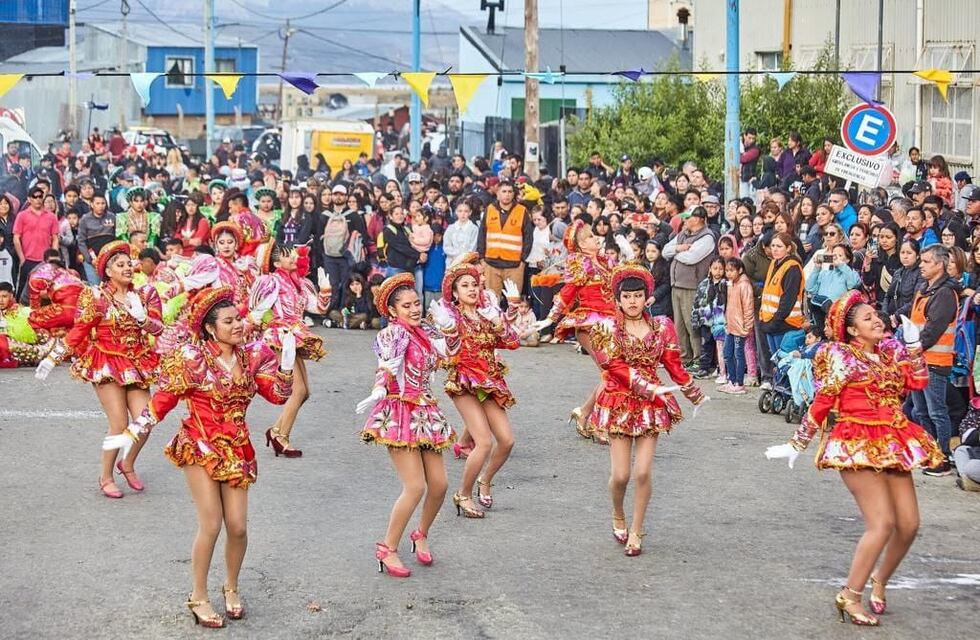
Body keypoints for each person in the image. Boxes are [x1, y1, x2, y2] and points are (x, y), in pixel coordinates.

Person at [102, 286, 295, 628]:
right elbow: (163, 400)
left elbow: (278, 396)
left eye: (239, 319)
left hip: (237, 447)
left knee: (238, 527)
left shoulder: (252, 356)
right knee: (212, 523)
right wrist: (133, 430)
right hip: (200, 444)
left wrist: (286, 368)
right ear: (210, 328)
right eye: (228, 321)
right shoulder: (193, 359)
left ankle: (231, 586)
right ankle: (198, 596)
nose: (238, 325)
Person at [765, 291, 944, 627]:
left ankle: (880, 579)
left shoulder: (890, 352)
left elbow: (918, 381)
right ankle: (850, 595)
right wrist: (797, 443)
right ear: (851, 330)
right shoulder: (840, 355)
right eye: (867, 318)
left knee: (909, 525)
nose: (876, 320)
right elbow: (823, 401)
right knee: (882, 524)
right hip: (856, 441)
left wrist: (914, 347)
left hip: (894, 440)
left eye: (876, 315)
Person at [587, 264, 707, 556]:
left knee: (642, 472)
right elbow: (612, 365)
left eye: (638, 296)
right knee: (621, 475)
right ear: (618, 300)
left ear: (646, 298)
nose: (632, 301)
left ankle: (637, 530)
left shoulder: (662, 327)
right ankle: (618, 513)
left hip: (651, 406)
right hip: (619, 401)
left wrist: (694, 393)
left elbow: (674, 365)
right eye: (627, 297)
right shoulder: (606, 328)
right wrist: (645, 386)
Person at [35, 241, 163, 498]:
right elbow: (79, 330)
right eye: (120, 265)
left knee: (146, 421)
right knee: (119, 423)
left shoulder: (146, 294)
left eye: (128, 263)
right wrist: (53, 357)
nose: (127, 268)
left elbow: (159, 329)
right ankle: (105, 476)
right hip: (107, 361)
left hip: (137, 361)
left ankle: (127, 463)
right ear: (108, 271)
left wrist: (143, 319)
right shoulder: (97, 297)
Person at [354, 273, 458, 578]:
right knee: (415, 487)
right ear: (392, 310)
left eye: (416, 303)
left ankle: (420, 533)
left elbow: (451, 352)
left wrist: (450, 327)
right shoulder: (393, 335)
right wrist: (379, 389)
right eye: (406, 305)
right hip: (400, 411)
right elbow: (386, 366)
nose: (414, 309)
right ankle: (387, 548)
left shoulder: (425, 331)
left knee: (439, 485)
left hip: (426, 411)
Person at [536, 219, 628, 438]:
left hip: (611, 323)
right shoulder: (581, 263)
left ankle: (584, 413)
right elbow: (568, 290)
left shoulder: (604, 262)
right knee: (612, 373)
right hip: (590, 323)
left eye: (593, 235)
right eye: (589, 236)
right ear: (581, 245)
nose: (595, 238)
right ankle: (598, 423)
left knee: (613, 374)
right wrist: (550, 318)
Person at [441, 263, 520, 518]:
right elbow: (448, 352)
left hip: (489, 382)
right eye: (465, 286)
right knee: (484, 442)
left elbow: (513, 342)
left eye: (474, 285)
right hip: (464, 383)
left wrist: (500, 317)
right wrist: (449, 331)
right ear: (455, 293)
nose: (472, 289)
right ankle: (463, 494)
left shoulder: (487, 314)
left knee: (507, 441)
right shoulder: (452, 318)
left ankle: (485, 479)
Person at [249, 242, 331, 457]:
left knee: (305, 393)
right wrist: (250, 331)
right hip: (281, 337)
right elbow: (256, 312)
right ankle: (281, 436)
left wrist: (325, 289)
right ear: (277, 263)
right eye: (288, 256)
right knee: (299, 390)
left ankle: (276, 430)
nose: (295, 257)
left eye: (294, 254)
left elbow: (319, 309)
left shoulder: (301, 283)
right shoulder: (272, 282)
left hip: (295, 335)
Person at [908, 244, 959, 475]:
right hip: (919, 360)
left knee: (937, 411)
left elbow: (933, 330)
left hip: (935, 361)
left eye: (927, 261)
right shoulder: (926, 288)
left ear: (940, 264)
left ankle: (942, 457)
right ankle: (929, 453)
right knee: (921, 411)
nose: (921, 265)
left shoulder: (944, 293)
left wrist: (913, 348)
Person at [662, 207, 717, 365]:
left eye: (688, 217)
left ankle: (698, 358)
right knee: (679, 325)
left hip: (692, 286)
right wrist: (678, 248)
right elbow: (665, 251)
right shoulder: (683, 234)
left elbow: (692, 258)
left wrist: (675, 254)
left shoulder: (707, 237)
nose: (685, 220)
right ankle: (685, 357)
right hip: (677, 285)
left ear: (698, 219)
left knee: (691, 324)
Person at [477, 180, 532, 300]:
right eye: (504, 191)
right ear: (497, 193)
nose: (507, 194)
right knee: (492, 301)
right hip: (491, 264)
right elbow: (482, 234)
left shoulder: (522, 211)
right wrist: (481, 258)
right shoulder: (489, 209)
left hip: (514, 265)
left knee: (514, 301)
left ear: (513, 194)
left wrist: (523, 261)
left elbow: (528, 238)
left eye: (510, 192)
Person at [759, 232, 805, 354]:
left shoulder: (792, 267)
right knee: (776, 360)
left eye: (779, 246)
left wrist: (775, 322)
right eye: (773, 246)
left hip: (785, 323)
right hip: (770, 321)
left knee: (784, 361)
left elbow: (788, 299)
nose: (775, 249)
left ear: (788, 248)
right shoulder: (774, 263)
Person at [13, 184, 60, 302]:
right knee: (23, 290)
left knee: (46, 290)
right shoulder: (22, 215)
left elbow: (55, 238)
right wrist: (22, 258)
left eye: (40, 196)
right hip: (27, 259)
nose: (38, 199)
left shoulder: (51, 216)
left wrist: (53, 258)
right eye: (35, 197)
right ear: (29, 199)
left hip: (45, 261)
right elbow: (16, 238)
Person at [26, 250, 85, 337]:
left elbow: (34, 283)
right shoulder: (71, 273)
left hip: (65, 311)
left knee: (33, 318)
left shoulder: (46, 269)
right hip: (82, 314)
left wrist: (34, 308)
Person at [719, 257, 754, 394]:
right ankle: (731, 380)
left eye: (732, 270)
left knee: (738, 355)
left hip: (740, 327)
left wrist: (747, 326)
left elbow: (748, 307)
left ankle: (739, 383)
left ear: (740, 270)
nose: (728, 273)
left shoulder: (744, 285)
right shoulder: (730, 284)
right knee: (727, 354)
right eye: (727, 270)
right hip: (730, 326)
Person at [0, 281, 53, 367]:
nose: (1, 300)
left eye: (4, 296)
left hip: (28, 345)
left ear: (11, 296)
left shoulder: (22, 311)